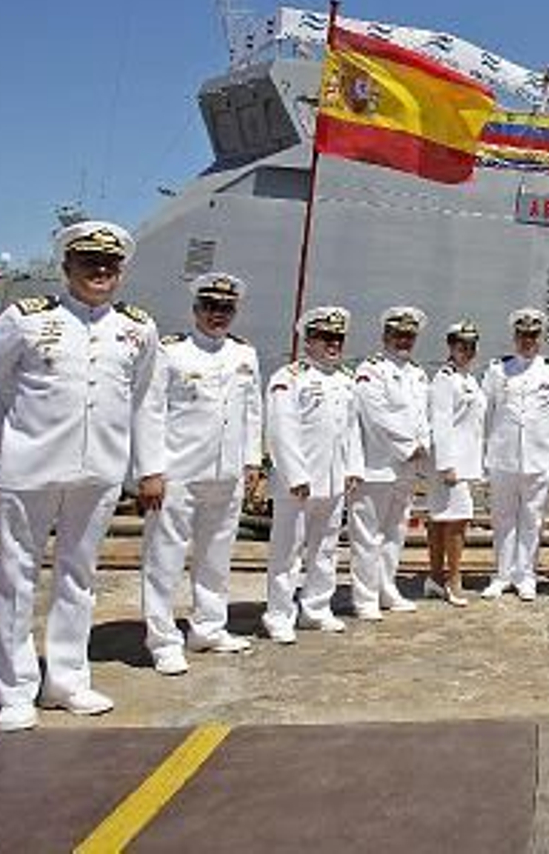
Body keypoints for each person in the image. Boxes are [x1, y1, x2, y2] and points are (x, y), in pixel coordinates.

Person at [0, 220, 163, 731]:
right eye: (89, 261)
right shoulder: (26, 319)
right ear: (66, 266)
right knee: (15, 578)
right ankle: (15, 690)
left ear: (121, 270)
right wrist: (13, 444)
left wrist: (145, 468)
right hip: (30, 470)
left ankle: (68, 680)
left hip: (98, 471)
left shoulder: (137, 329)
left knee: (78, 576)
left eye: (111, 263)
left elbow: (141, 401)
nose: (101, 270)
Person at [141, 272, 262, 678]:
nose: (218, 315)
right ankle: (163, 641)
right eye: (210, 307)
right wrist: (151, 470)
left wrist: (251, 460)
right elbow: (150, 411)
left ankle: (209, 627)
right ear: (196, 310)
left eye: (225, 308)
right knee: (165, 559)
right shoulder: (171, 352)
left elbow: (251, 413)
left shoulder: (244, 355)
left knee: (216, 555)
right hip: (179, 472)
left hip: (226, 472)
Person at [262, 307, 365, 644]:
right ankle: (279, 614)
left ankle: (316, 608)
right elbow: (281, 430)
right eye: (326, 338)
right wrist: (295, 475)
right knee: (287, 551)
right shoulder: (289, 378)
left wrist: (352, 469)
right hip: (300, 484)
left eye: (338, 338)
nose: (333, 344)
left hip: (334, 480)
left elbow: (351, 430)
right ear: (309, 340)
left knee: (325, 548)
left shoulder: (345, 380)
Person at [481, 308, 549, 601]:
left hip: (536, 457)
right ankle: (502, 574)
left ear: (540, 337)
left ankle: (526, 575)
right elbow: (487, 412)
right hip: (503, 457)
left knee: (532, 519)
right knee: (503, 518)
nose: (527, 340)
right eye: (522, 335)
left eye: (533, 335)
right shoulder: (498, 370)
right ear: (515, 337)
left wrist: (546, 449)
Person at [350, 307, 431, 620]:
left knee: (395, 532)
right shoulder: (371, 370)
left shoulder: (417, 373)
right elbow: (376, 416)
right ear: (385, 336)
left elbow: (422, 416)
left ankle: (387, 588)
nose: (404, 340)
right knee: (367, 535)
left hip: (406, 469)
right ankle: (365, 598)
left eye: (409, 336)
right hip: (377, 467)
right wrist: (409, 447)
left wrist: (423, 443)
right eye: (398, 334)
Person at [426, 320, 485, 605]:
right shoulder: (445, 379)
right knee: (458, 521)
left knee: (441, 519)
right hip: (450, 465)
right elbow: (441, 423)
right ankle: (454, 580)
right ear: (450, 346)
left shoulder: (467, 378)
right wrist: (447, 464)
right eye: (462, 345)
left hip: (463, 462)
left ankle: (435, 578)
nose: (467, 350)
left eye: (471, 346)